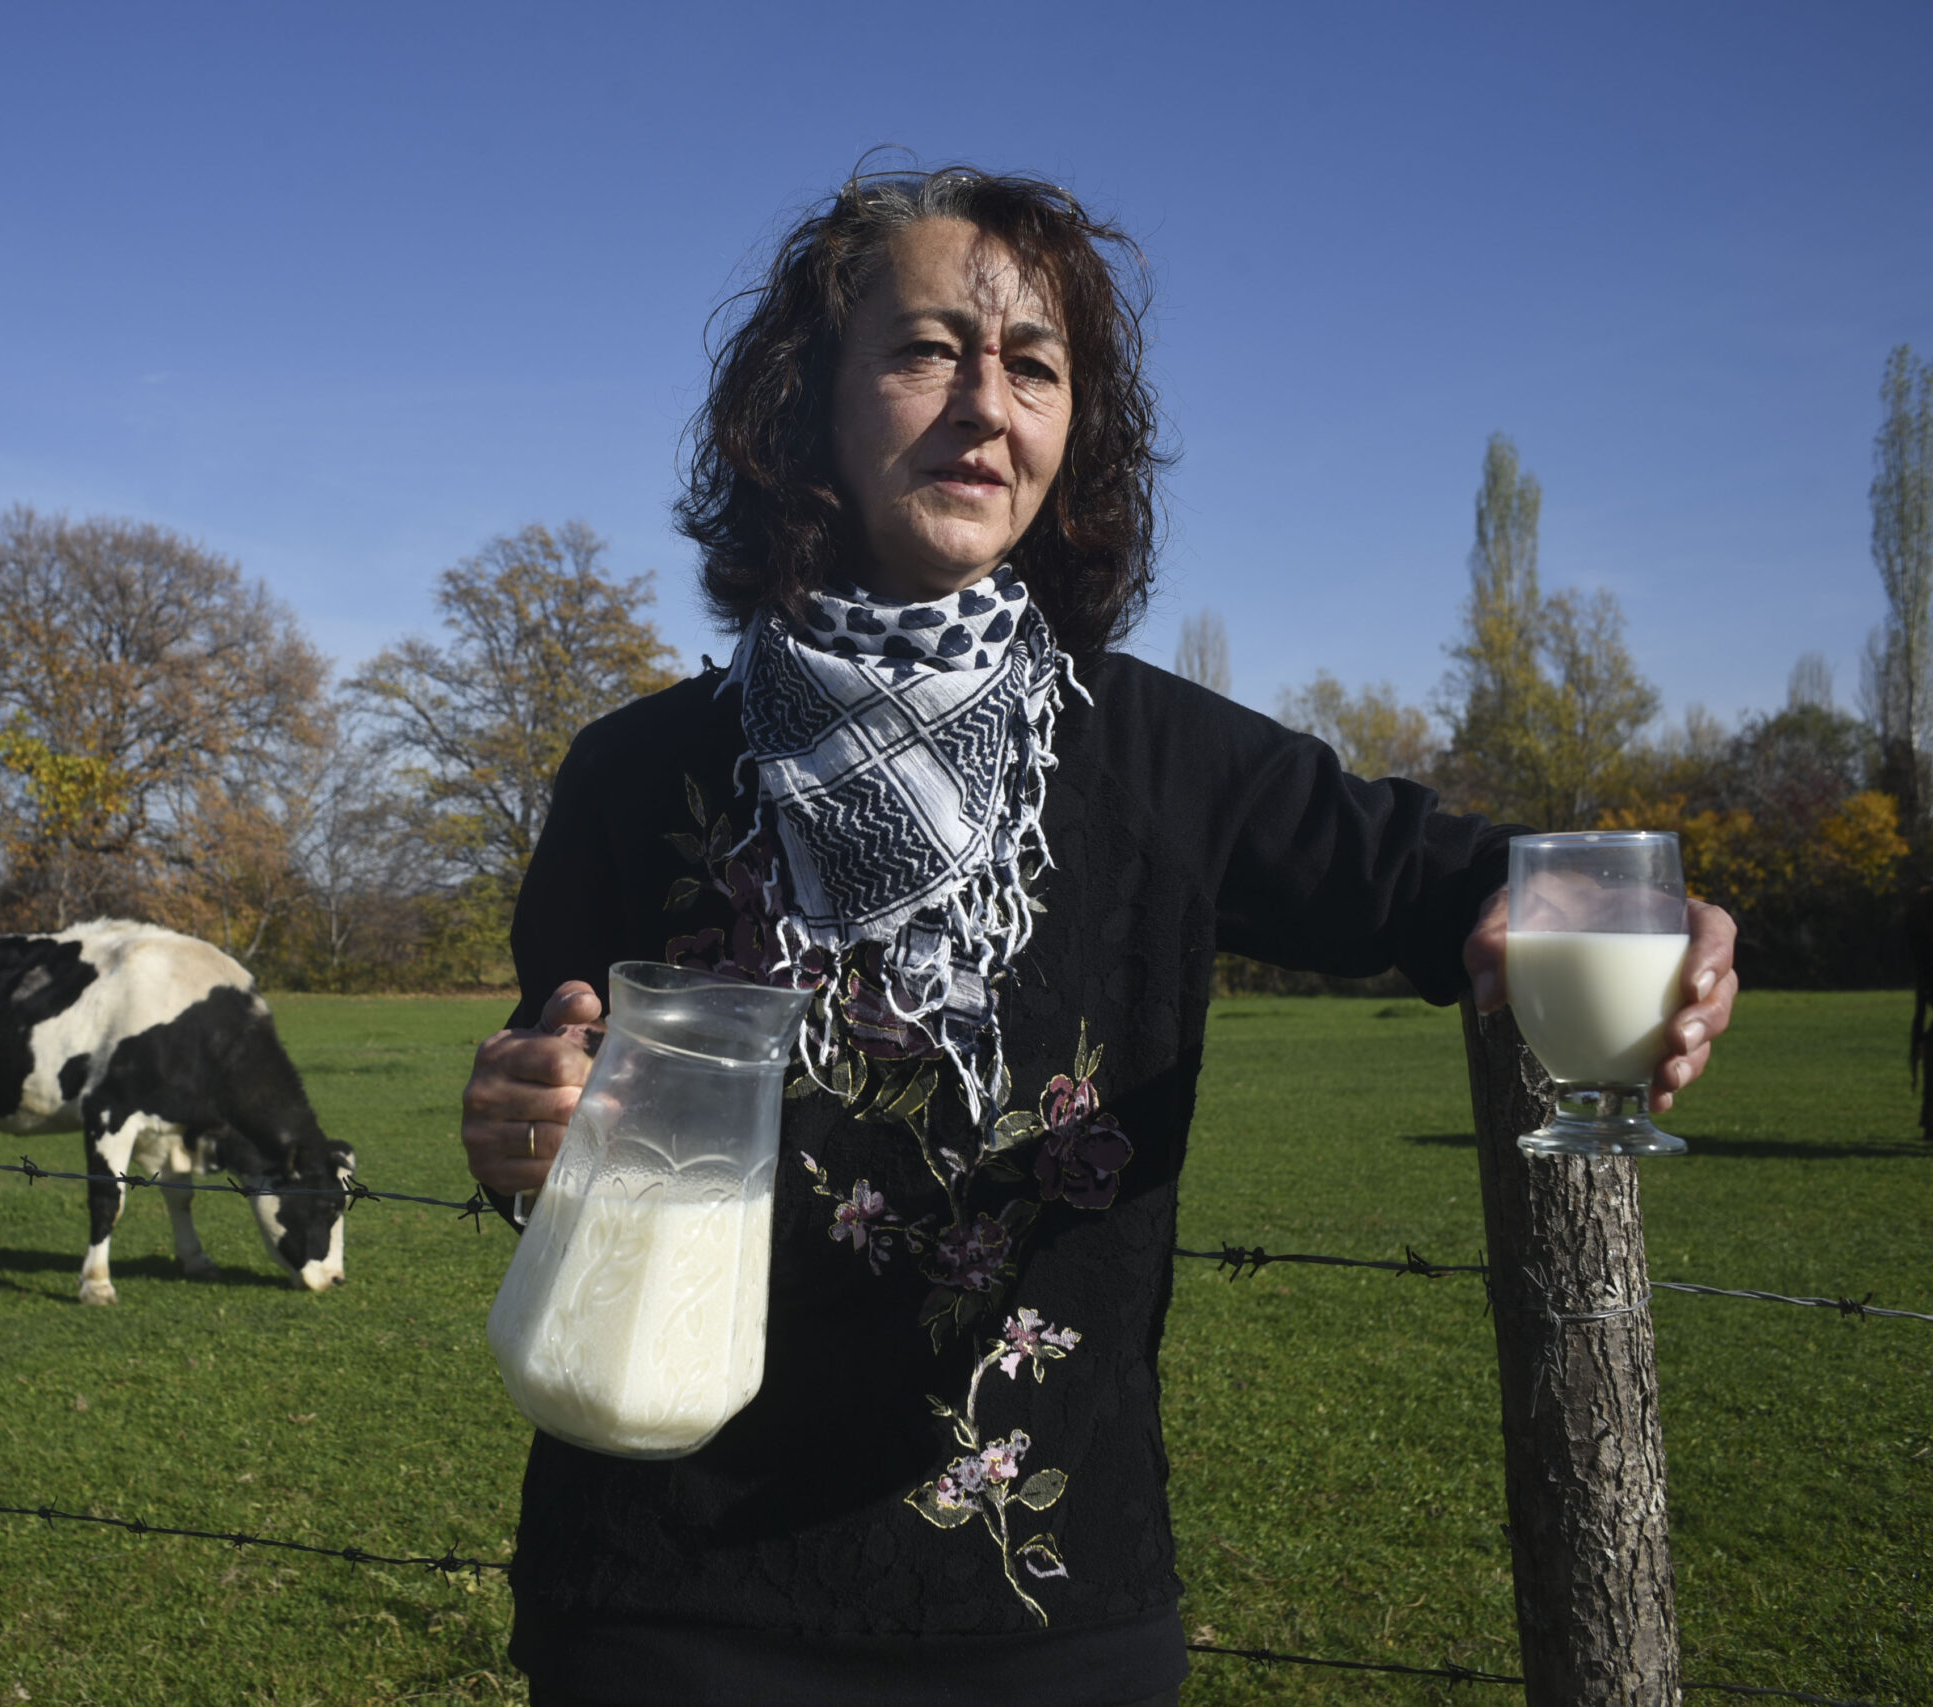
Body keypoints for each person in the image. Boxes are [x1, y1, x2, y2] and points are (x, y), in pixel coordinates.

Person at [458, 167, 1739, 1707]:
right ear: (804, 402)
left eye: (1035, 367)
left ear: (1076, 435)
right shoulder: (634, 771)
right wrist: (524, 1119)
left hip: (1046, 1616)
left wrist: (1644, 919)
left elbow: (1448, 877)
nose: (985, 408)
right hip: (667, 1605)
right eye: (927, 350)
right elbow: (555, 1092)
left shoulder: (1167, 761)